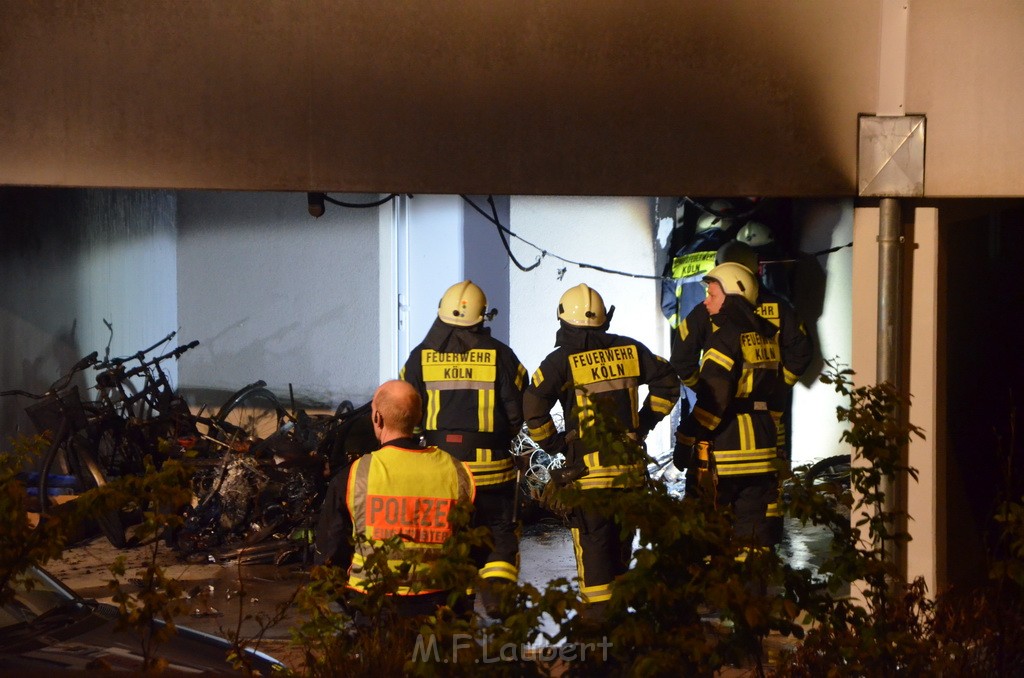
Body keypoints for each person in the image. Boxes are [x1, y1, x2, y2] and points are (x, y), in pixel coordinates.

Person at [524, 283, 679, 618]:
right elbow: (668, 380)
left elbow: (533, 408)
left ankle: (598, 637)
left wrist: (556, 444)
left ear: (562, 320)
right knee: (621, 552)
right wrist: (644, 424)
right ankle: (623, 629)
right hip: (630, 474)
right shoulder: (630, 350)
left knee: (595, 560)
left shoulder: (560, 360)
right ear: (605, 319)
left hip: (589, 479)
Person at [399, 280, 528, 617]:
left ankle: (458, 608)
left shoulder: (419, 357)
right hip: (493, 468)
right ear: (482, 317)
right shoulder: (502, 355)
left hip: (442, 472)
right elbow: (518, 411)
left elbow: (407, 415)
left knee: (449, 535)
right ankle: (498, 592)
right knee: (499, 530)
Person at [670, 241, 812, 543]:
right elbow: (801, 353)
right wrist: (777, 387)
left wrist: (701, 390)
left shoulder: (714, 319)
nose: (709, 299)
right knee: (763, 509)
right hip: (767, 423)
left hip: (721, 432)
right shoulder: (778, 308)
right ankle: (761, 562)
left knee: (711, 516)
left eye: (712, 292)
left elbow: (682, 357)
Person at [314, 379, 476, 617]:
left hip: (372, 606)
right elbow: (474, 548)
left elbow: (329, 556)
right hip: (441, 607)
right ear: (419, 418)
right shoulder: (457, 472)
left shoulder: (355, 475)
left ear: (377, 418)